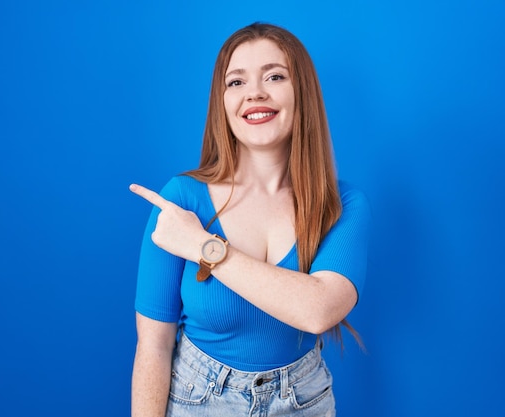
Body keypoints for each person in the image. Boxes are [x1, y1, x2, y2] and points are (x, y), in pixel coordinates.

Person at [129, 22, 370, 417]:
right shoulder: (180, 200)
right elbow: (153, 347)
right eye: (236, 82)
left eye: (274, 76)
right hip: (196, 401)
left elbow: (319, 310)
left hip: (303, 402)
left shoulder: (342, 205)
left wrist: (204, 248)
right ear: (221, 102)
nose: (255, 92)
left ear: (302, 93)